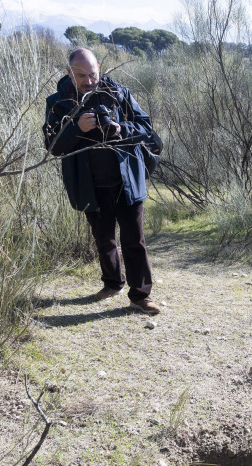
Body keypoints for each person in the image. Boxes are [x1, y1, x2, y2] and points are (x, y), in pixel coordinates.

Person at [43, 48, 161, 315]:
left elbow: (147, 130)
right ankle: (112, 284)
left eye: (93, 74)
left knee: (135, 240)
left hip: (126, 181)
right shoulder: (58, 102)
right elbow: (52, 145)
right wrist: (75, 128)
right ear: (69, 73)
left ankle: (141, 296)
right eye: (82, 75)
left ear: (100, 69)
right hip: (89, 184)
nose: (89, 81)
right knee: (103, 239)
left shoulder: (118, 93)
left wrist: (122, 128)